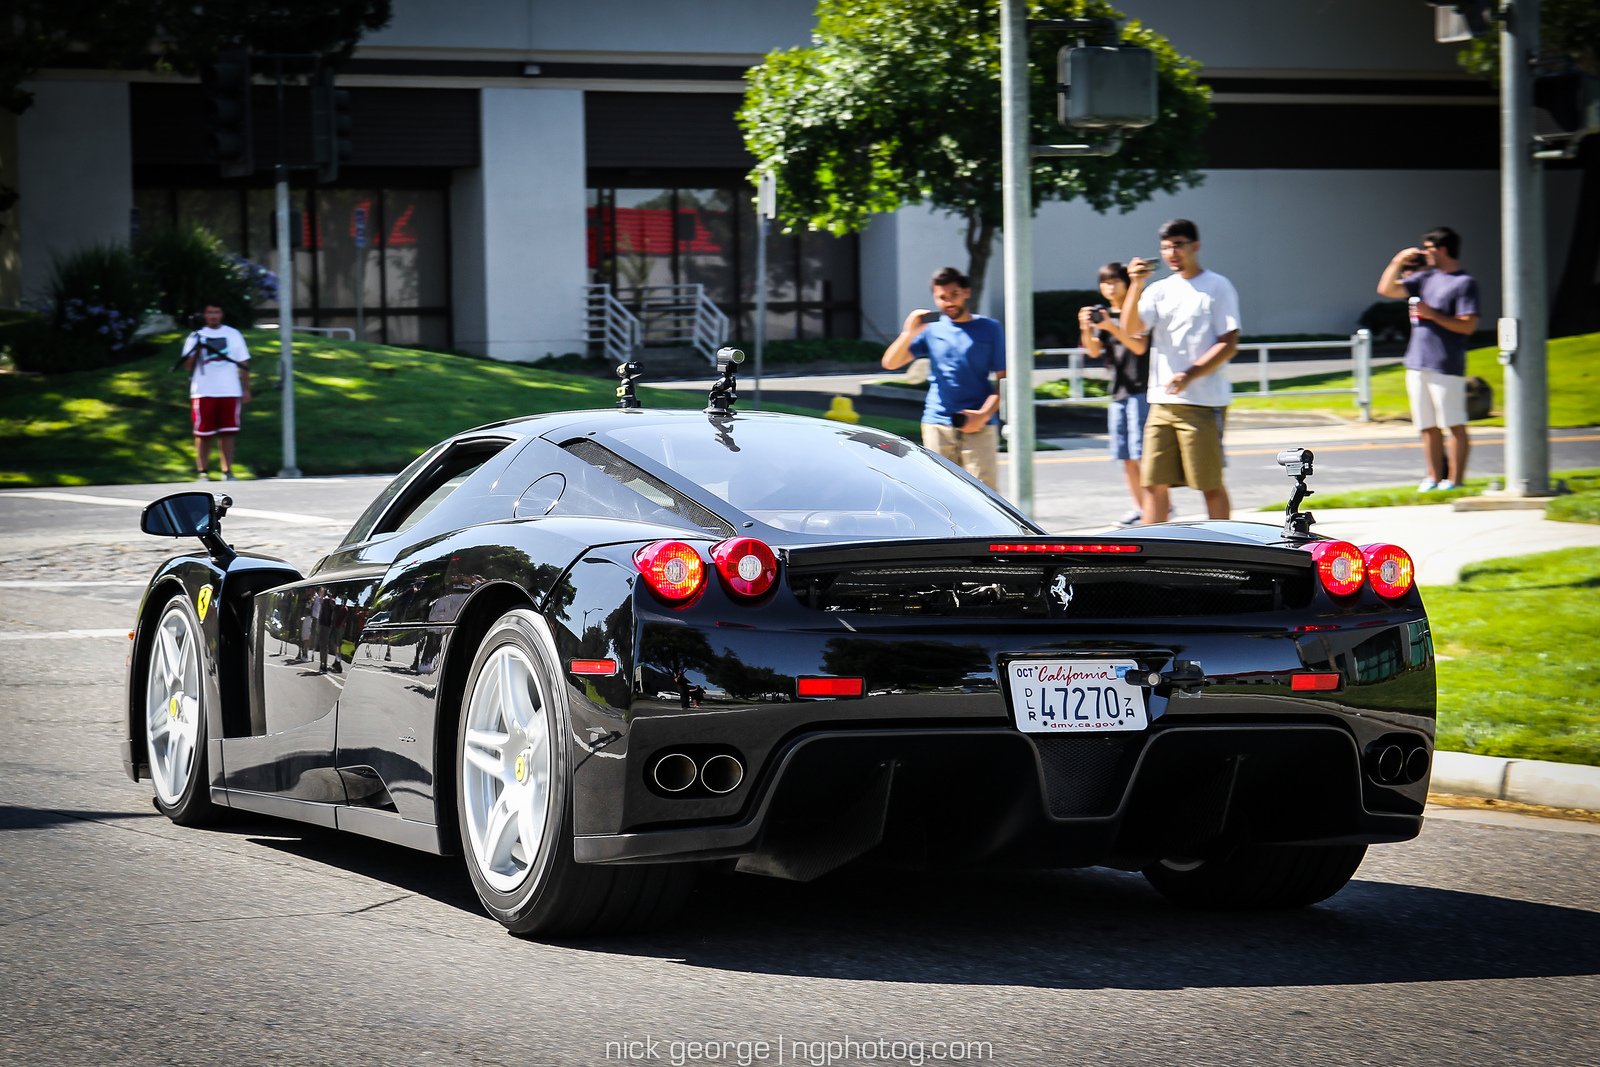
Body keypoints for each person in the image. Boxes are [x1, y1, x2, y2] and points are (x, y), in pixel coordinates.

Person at [1120, 219, 1241, 524]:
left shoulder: (1217, 286)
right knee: (1152, 483)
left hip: (1202, 404)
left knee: (1208, 484)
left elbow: (1228, 343)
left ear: (1195, 246)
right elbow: (1131, 328)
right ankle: (1152, 554)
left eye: (1178, 245)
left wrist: (1191, 373)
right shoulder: (1157, 290)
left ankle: (1225, 551)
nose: (1171, 252)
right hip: (1161, 403)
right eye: (1165, 247)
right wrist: (1135, 285)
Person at [882, 266, 1007, 490]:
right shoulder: (930, 330)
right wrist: (908, 333)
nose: (949, 302)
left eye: (954, 295)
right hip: (937, 422)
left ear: (967, 292)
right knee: (942, 491)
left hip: (980, 423)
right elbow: (890, 363)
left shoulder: (990, 329)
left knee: (986, 494)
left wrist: (983, 415)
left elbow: (1004, 381)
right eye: (942, 297)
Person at [1376, 226, 1480, 491]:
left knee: (1453, 423)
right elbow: (1387, 289)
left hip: (1445, 364)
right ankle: (1433, 478)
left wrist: (1433, 314)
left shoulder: (1464, 282)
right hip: (1416, 362)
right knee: (1426, 426)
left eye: (1428, 248)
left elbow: (1467, 326)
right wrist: (1397, 261)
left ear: (1442, 249)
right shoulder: (1426, 278)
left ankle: (1455, 481)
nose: (1424, 253)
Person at [1077, 262, 1150, 526]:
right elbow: (1094, 352)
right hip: (1118, 391)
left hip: (1142, 389)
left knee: (1142, 455)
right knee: (1126, 457)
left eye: (1114, 281)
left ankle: (1156, 506)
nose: (1109, 287)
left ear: (1126, 283)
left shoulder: (1139, 313)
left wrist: (1112, 327)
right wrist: (1087, 328)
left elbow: (1138, 347)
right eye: (1104, 282)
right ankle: (1139, 508)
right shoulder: (1103, 316)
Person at [182, 303, 251, 481]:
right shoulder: (196, 336)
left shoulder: (233, 334)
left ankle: (227, 471)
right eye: (210, 313)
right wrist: (196, 349)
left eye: (217, 312)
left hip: (229, 390)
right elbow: (188, 366)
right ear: (204, 315)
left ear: (222, 314)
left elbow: (244, 363)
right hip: (204, 391)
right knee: (203, 434)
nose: (213, 316)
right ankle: (202, 471)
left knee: (228, 432)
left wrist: (246, 389)